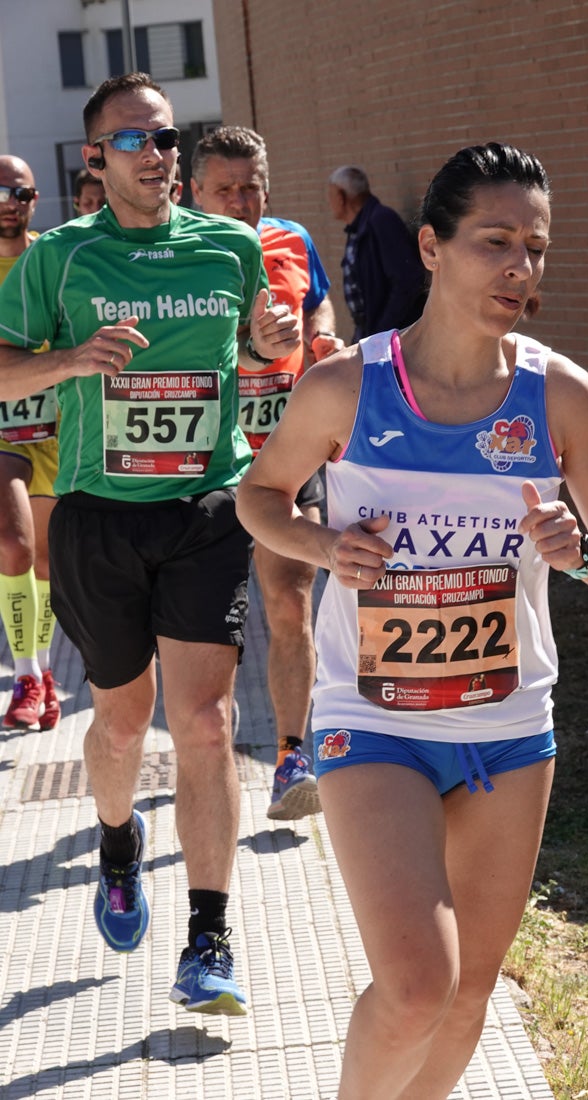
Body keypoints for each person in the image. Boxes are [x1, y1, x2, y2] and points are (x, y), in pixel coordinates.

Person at [238, 142, 588, 1097]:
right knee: (418, 985)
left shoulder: (559, 395)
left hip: (507, 727)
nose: (520, 268)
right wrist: (319, 545)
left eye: (537, 249)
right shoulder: (348, 385)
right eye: (495, 242)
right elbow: (263, 496)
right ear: (429, 246)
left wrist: (583, 554)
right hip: (374, 716)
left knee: (469, 993)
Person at [0, 72, 299, 1016]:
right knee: (124, 721)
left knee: (205, 722)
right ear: (95, 158)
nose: (158, 154)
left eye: (168, 138)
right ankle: (118, 839)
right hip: (97, 514)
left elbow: (252, 357)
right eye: (134, 140)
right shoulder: (60, 258)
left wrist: (264, 343)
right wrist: (68, 361)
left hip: (206, 509)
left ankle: (208, 937)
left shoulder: (230, 246)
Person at [191, 125, 343, 820]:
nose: (240, 200)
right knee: (202, 626)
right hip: (210, 459)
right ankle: (202, 751)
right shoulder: (178, 257)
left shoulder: (292, 237)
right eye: (224, 189)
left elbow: (318, 297)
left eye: (250, 186)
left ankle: (291, 756)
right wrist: (247, 350)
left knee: (289, 599)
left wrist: (321, 335)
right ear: (193, 193)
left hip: (288, 449)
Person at [0, 155, 61, 731]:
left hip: (56, 432)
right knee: (12, 546)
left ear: (33, 201)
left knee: (43, 560)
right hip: (2, 436)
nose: (7, 201)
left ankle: (41, 675)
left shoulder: (51, 258)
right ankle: (24, 675)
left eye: (19, 191)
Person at [328, 165, 426, 342]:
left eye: (331, 195)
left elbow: (408, 279)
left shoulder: (381, 221)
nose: (329, 202)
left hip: (391, 338)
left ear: (342, 197)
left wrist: (382, 331)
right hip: (370, 332)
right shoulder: (358, 228)